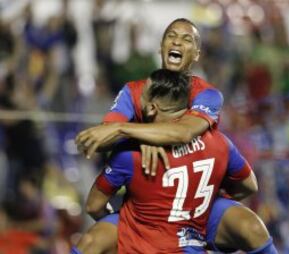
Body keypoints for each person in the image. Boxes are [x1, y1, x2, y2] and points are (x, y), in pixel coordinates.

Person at [75, 19, 277, 253]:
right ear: (161, 46)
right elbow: (99, 139)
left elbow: (184, 133)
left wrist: (130, 131)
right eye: (171, 36)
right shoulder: (133, 91)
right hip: (147, 206)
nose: (177, 42)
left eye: (187, 39)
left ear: (197, 54)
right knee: (92, 241)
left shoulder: (207, 94)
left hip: (196, 202)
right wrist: (140, 139)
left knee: (251, 227)